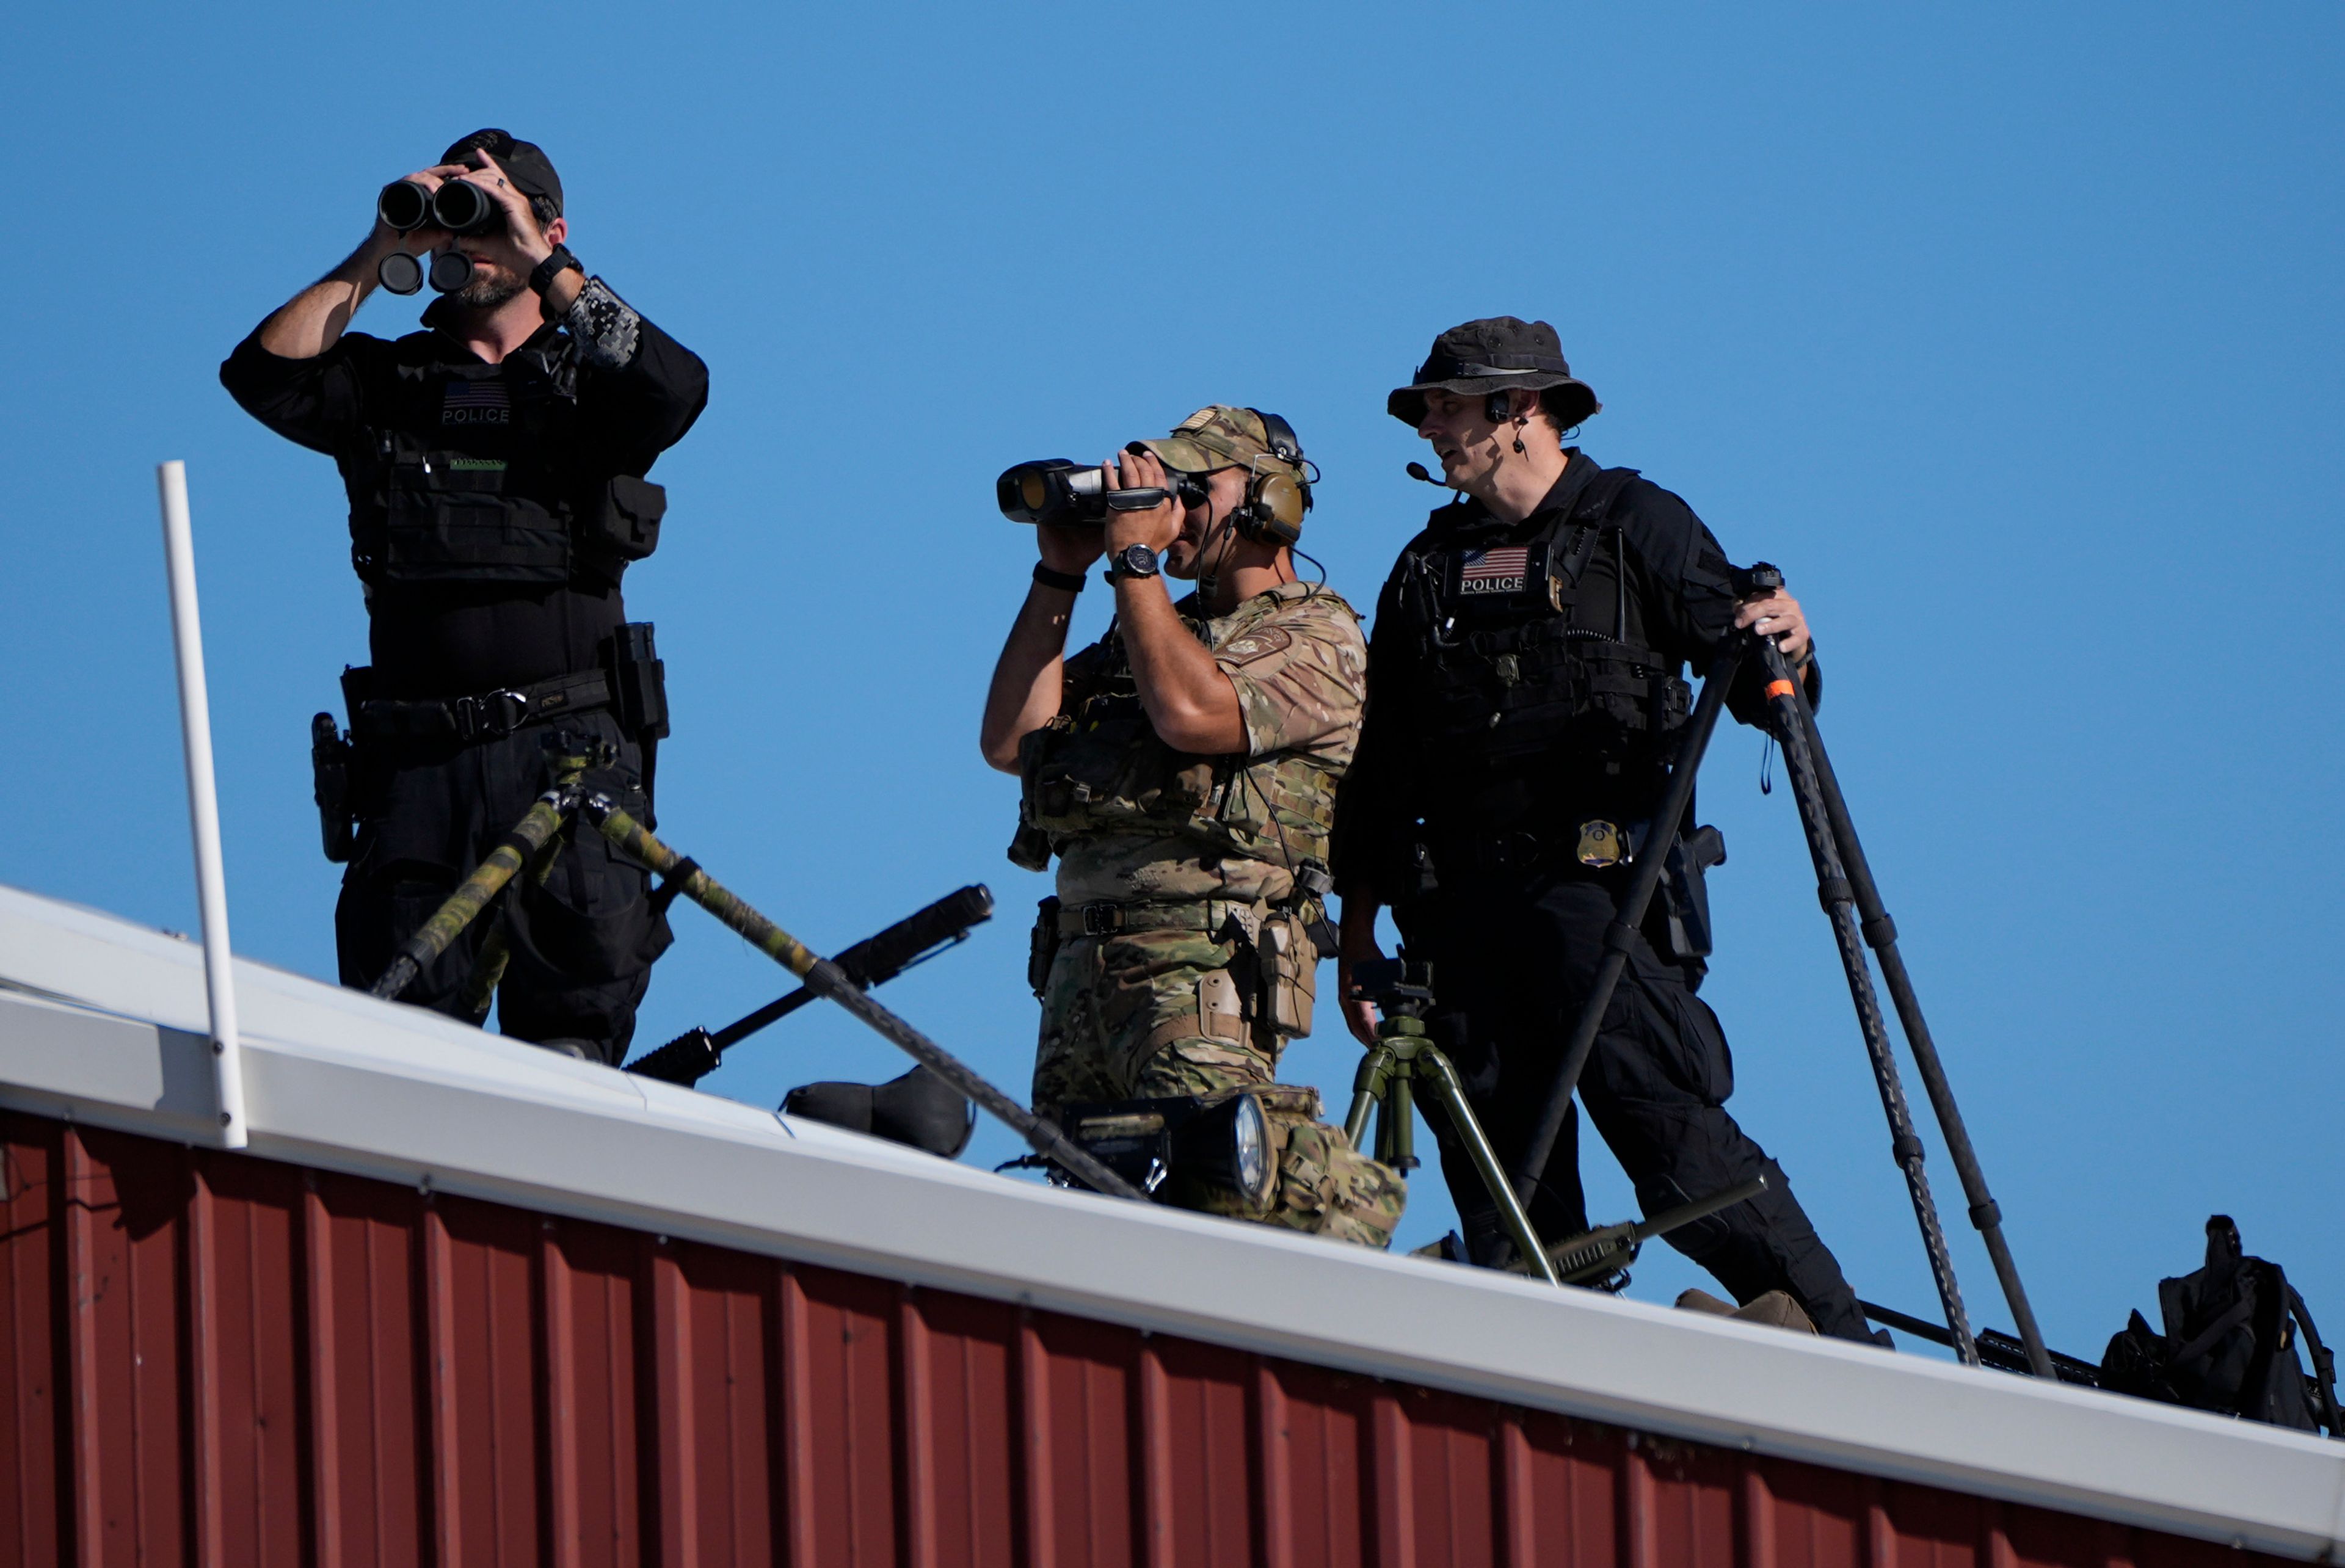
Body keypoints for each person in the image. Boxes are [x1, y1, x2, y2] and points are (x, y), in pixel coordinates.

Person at [1331, 318, 1876, 1338]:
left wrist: (1791, 649)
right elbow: (1381, 767)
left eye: (1448, 405)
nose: (1431, 426)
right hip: (1455, 921)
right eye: (1429, 409)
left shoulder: (1637, 525)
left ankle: (1845, 1347)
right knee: (1502, 1193)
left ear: (1520, 409)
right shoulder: (1423, 567)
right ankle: (1560, 1380)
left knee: (1672, 1145)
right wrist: (1358, 936)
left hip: (1599, 904)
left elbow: (1761, 680)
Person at [220, 128, 708, 1065]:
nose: (469, 238)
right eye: (457, 219)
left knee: (573, 1043)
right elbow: (263, 377)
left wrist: (544, 258)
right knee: (403, 1057)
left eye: (492, 213)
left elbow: (675, 390)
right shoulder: (388, 381)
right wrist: (383, 245)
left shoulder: (591, 386)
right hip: (418, 775)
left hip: (569, 764)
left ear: (547, 224)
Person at [981, 407, 1405, 1246]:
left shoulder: (1315, 632)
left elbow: (1191, 714)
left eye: (1192, 488)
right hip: (1080, 976)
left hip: (1203, 968)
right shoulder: (1151, 631)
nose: (1169, 510)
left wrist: (1134, 563)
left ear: (1269, 503)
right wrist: (1060, 577)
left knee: (1220, 1195)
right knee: (1088, 1221)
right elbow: (1010, 742)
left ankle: (1364, 1262)